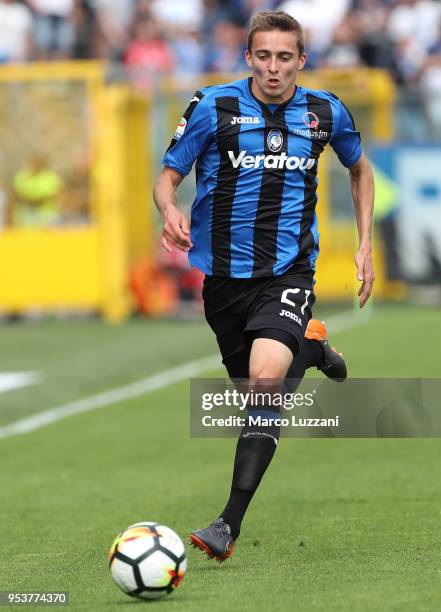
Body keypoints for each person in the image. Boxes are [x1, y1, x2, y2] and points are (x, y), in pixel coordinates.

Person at [153, 10, 375, 561]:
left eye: (285, 57)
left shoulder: (326, 112)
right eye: (263, 56)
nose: (273, 68)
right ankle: (313, 346)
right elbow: (168, 175)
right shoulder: (212, 107)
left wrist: (366, 244)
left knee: (264, 384)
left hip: (288, 272)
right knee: (256, 395)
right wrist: (168, 208)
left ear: (302, 59)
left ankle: (228, 523)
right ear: (248, 57)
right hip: (224, 280)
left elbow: (360, 169)